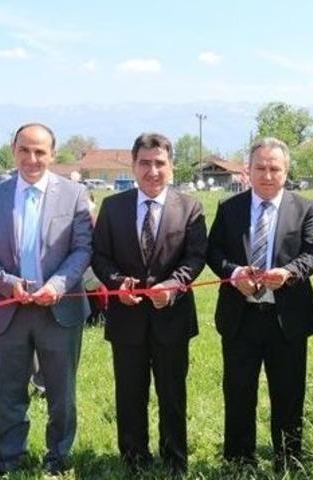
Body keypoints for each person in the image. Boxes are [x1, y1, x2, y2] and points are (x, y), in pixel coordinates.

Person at [0, 123, 92, 475]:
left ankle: (59, 457)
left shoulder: (75, 195)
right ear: (13, 150)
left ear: (53, 154)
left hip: (60, 310)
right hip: (10, 310)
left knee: (61, 393)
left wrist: (58, 285)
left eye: (40, 152)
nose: (32, 159)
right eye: (25, 150)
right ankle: (10, 458)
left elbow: (83, 248)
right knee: (9, 391)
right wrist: (7, 284)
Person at [91, 132, 207, 474]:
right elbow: (99, 256)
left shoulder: (189, 208)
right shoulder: (113, 207)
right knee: (129, 394)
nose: (152, 170)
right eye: (145, 163)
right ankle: (133, 458)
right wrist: (115, 283)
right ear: (133, 166)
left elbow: (196, 257)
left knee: (173, 394)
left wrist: (173, 285)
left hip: (172, 317)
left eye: (160, 163)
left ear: (171, 167)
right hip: (126, 319)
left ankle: (174, 459)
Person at [206, 137, 313, 470]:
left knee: (288, 393)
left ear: (286, 172)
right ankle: (239, 460)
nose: (268, 175)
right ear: (248, 170)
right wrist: (233, 273)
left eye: (275, 168)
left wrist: (288, 272)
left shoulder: (305, 208)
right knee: (238, 390)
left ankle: (287, 459)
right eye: (261, 167)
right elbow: (213, 252)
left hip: (286, 317)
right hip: (240, 315)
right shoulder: (229, 208)